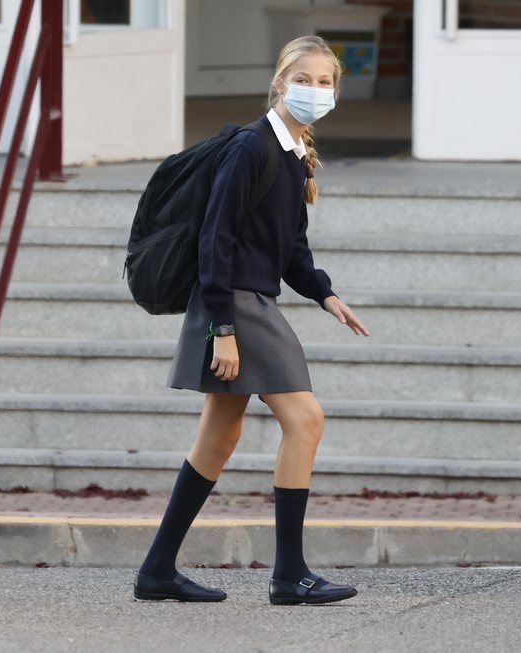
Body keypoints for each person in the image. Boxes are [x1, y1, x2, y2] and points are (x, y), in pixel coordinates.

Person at [133, 35, 370, 606]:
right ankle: (289, 576)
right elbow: (216, 239)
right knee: (306, 421)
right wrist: (223, 328)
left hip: (249, 298)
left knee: (218, 439)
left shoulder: (292, 152)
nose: (316, 90)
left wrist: (324, 294)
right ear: (281, 82)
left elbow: (290, 247)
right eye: (305, 79)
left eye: (325, 82)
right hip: (236, 302)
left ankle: (157, 570)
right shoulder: (252, 148)